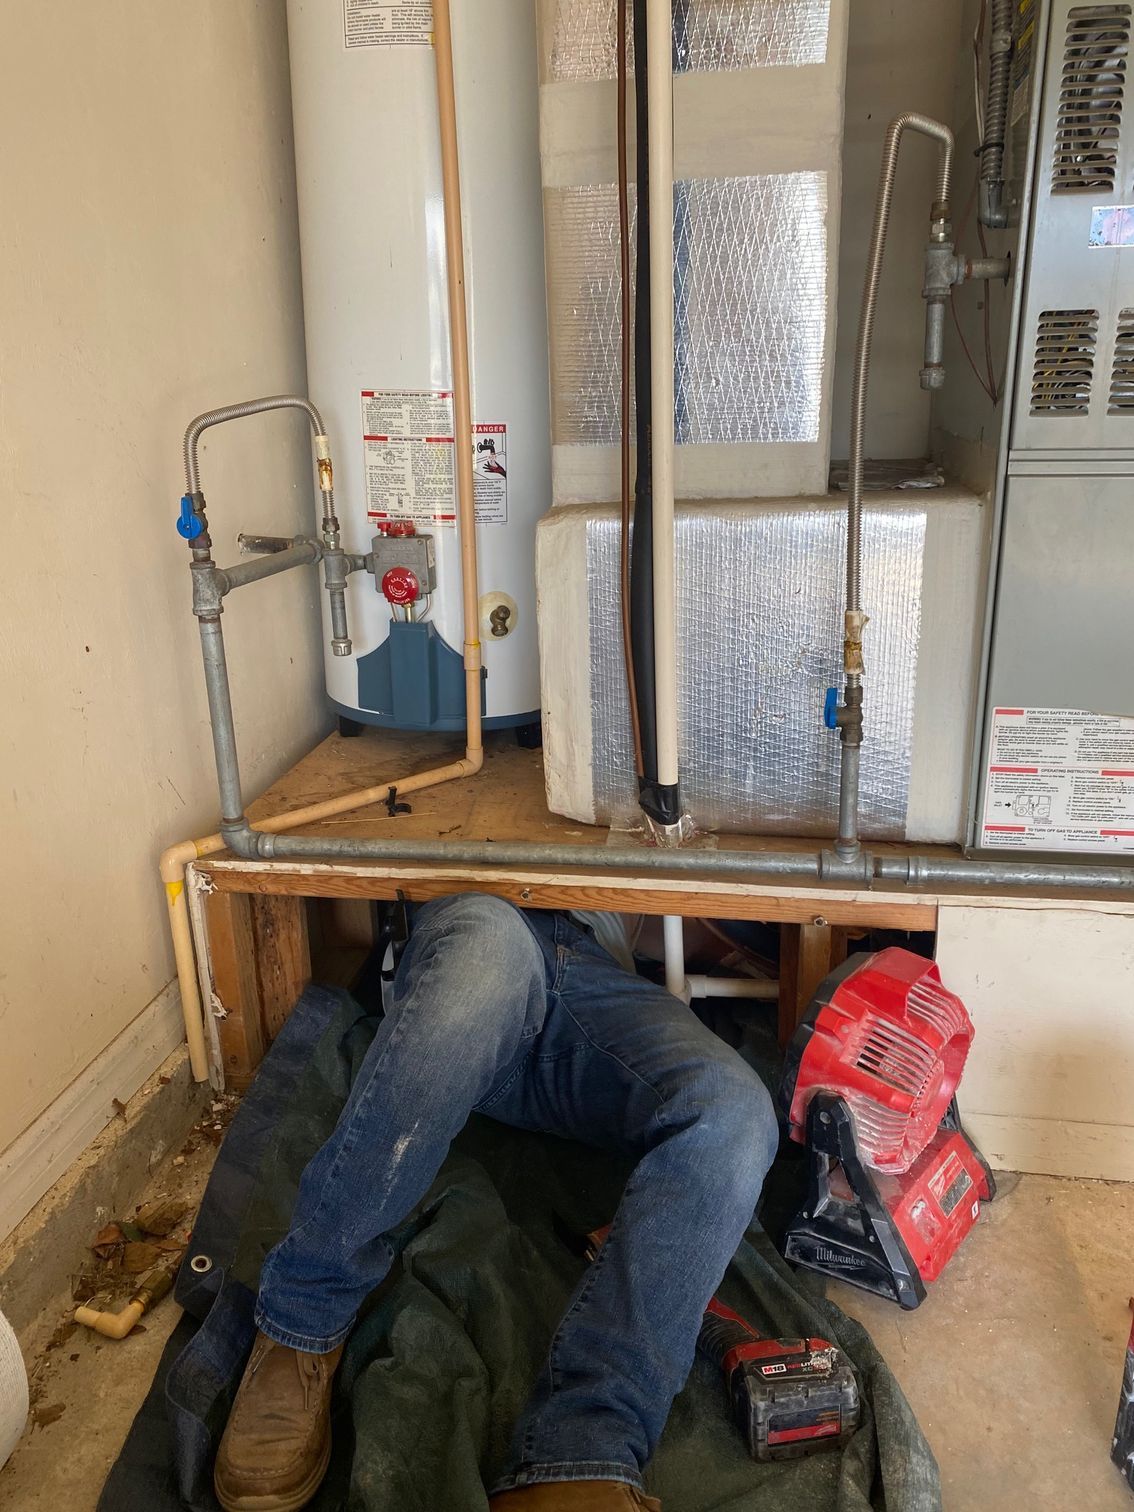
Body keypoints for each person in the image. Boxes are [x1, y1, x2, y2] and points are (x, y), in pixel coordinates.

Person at [213, 894, 779, 1512]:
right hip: (476, 931)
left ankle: (577, 1451)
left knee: (734, 1110)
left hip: (593, 971)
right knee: (489, 950)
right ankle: (302, 1318)